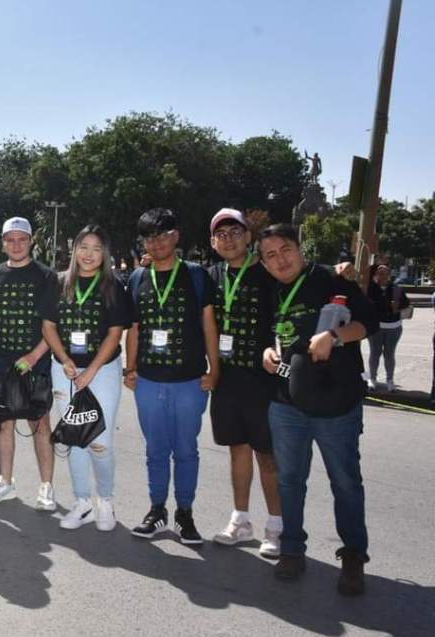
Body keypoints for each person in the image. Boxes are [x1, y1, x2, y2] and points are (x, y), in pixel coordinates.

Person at [258, 224, 378, 595]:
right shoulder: (268, 290)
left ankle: (354, 555)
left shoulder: (330, 279)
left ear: (300, 249)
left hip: (336, 403)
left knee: (345, 481)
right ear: (263, 263)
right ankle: (292, 549)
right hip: (286, 403)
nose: (281, 259)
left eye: (286, 249)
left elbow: (368, 322)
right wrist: (266, 351)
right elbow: (268, 334)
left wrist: (335, 336)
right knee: (290, 480)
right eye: (271, 255)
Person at [124, 208, 219, 545]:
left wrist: (214, 369)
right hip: (148, 381)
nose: (157, 242)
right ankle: (156, 509)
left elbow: (209, 324)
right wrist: (130, 368)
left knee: (186, 450)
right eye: (150, 237)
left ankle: (185, 513)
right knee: (155, 450)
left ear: (176, 236)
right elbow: (133, 329)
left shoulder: (196, 275)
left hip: (190, 381)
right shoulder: (137, 279)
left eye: (163, 235)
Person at [40, 225, 133, 531]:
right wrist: (65, 360)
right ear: (74, 249)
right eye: (84, 247)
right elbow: (49, 326)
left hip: (102, 371)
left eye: (96, 248)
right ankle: (82, 502)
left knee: (99, 441)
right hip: (64, 370)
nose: (89, 254)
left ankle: (105, 500)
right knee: (74, 438)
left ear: (104, 253)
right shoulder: (59, 283)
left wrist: (91, 369)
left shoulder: (113, 285)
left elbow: (115, 332)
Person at [204, 209, 282, 557]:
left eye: (235, 231)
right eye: (221, 234)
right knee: (237, 449)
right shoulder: (211, 276)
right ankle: (241, 520)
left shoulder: (269, 272)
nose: (229, 239)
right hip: (226, 378)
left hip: (264, 379)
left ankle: (277, 527)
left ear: (248, 236)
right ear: (212, 242)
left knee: (267, 455)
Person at [0, 217, 58, 509]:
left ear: (30, 241)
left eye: (21, 239)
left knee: (40, 423)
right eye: (10, 240)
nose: (16, 245)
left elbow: (52, 323)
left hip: (35, 360)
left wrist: (35, 356)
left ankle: (46, 486)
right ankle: (5, 482)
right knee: (3, 423)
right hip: (1, 360)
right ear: (3, 243)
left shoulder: (47, 276)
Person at [366, 263, 411, 392]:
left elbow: (406, 304)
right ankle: (372, 379)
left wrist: (398, 306)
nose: (383, 276)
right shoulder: (370, 289)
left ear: (389, 275)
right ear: (375, 275)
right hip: (376, 327)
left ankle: (390, 381)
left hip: (394, 327)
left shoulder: (397, 289)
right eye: (380, 273)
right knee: (375, 353)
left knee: (389, 354)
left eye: (385, 273)